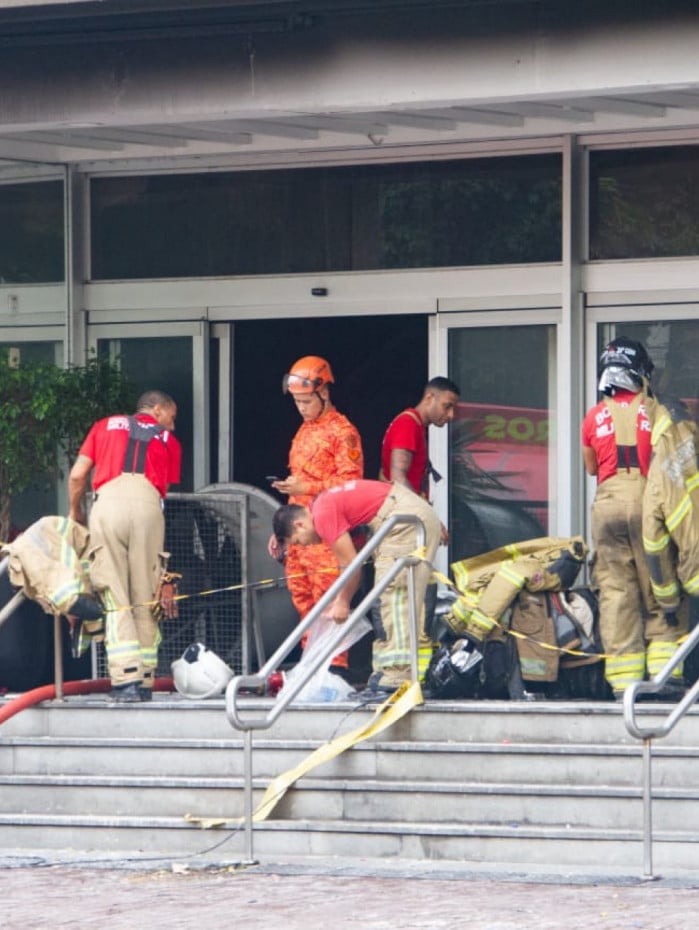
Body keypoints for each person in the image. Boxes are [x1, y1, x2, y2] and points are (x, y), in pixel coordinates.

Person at [272, 478, 441, 693]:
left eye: (297, 540)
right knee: (403, 593)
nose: (303, 545)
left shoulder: (322, 515)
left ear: (299, 524)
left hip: (403, 522)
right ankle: (396, 671)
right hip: (405, 516)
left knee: (395, 596)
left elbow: (352, 565)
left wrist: (342, 602)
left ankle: (399, 674)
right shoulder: (323, 503)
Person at [68, 389, 182, 703]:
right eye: (171, 417)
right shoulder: (169, 441)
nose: (172, 426)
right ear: (157, 410)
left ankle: (125, 681)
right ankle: (144, 681)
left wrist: (75, 511)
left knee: (115, 594)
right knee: (146, 596)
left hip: (108, 506)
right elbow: (163, 493)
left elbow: (78, 476)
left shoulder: (103, 425)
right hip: (149, 507)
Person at [581, 337, 678, 700]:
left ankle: (624, 685)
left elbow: (591, 466)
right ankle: (666, 678)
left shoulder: (593, 415)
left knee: (616, 592)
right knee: (659, 584)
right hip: (647, 498)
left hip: (606, 504)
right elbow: (670, 461)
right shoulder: (655, 411)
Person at [268, 355, 363, 672]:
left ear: (324, 393)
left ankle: (334, 667)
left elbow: (351, 483)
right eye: (297, 401)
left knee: (329, 602)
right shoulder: (304, 430)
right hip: (298, 533)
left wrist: (306, 486)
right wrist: (280, 529)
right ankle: (312, 666)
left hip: (325, 533)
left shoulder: (343, 431)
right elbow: (297, 483)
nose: (302, 407)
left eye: (306, 401)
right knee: (303, 603)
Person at [641, 396, 695, 687]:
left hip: (691, 566)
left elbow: (654, 538)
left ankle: (665, 681)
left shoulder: (661, 461)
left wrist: (668, 600)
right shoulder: (692, 438)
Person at [380, 376, 460, 546]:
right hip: (400, 521)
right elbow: (398, 478)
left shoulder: (415, 425)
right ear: (430, 398)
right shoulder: (408, 424)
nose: (451, 415)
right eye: (447, 406)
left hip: (404, 517)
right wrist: (430, 519)